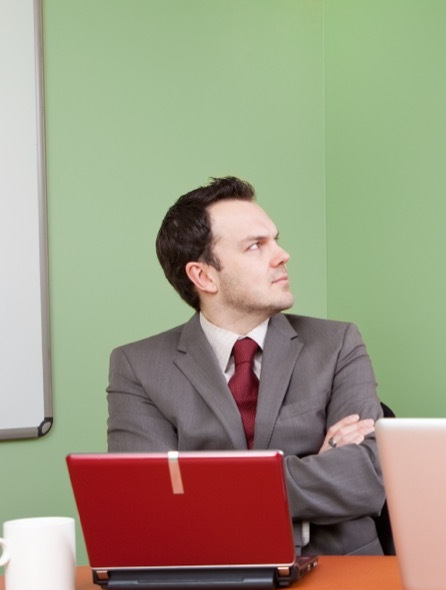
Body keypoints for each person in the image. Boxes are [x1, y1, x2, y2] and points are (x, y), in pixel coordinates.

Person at [107, 176, 386, 556]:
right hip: (208, 579)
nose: (282, 255)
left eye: (275, 239)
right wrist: (316, 467)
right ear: (203, 276)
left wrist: (206, 486)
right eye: (255, 246)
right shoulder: (138, 367)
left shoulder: (337, 344)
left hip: (341, 574)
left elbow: (367, 479)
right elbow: (148, 504)